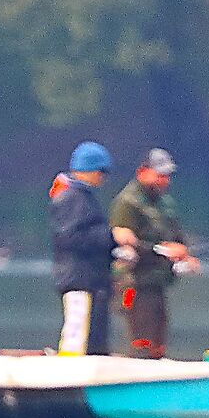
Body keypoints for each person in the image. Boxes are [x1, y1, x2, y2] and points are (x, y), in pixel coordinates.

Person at [110, 147, 198, 358]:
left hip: (157, 283)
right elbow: (123, 247)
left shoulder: (165, 202)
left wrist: (184, 254)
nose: (164, 180)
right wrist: (162, 251)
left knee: (158, 344)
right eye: (159, 175)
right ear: (143, 172)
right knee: (142, 343)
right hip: (134, 285)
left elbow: (175, 236)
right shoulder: (127, 202)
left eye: (167, 175)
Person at [49, 140, 124, 356]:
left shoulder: (82, 197)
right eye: (101, 171)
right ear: (88, 170)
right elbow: (70, 238)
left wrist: (113, 249)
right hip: (79, 283)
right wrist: (112, 235)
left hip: (91, 282)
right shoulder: (71, 198)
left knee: (93, 341)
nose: (103, 177)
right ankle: (70, 382)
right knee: (76, 338)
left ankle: (91, 379)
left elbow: (87, 237)